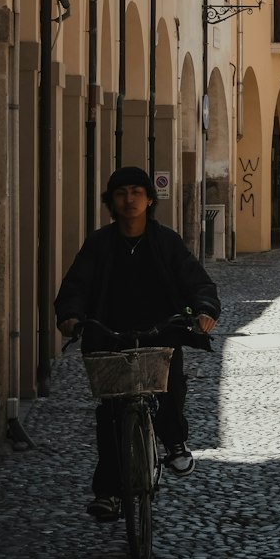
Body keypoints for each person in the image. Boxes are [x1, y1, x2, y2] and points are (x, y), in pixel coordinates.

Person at [55, 165, 220, 521]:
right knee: (112, 415)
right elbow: (76, 286)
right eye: (121, 193)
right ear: (111, 203)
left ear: (148, 199)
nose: (129, 200)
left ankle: (174, 441)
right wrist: (70, 315)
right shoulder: (99, 244)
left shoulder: (165, 242)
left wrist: (204, 309)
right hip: (109, 334)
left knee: (170, 387)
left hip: (160, 331)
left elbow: (195, 280)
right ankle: (110, 494)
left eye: (136, 192)